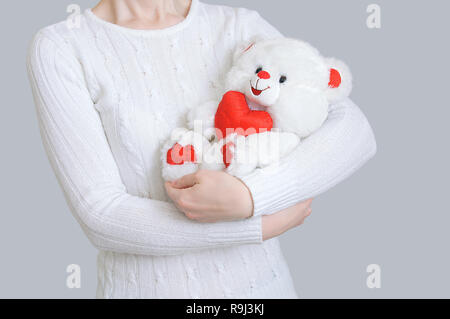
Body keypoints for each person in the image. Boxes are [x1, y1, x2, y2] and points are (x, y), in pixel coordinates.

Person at [27, 0, 376, 298]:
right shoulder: (62, 48)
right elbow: (101, 214)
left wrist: (250, 196)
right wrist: (251, 226)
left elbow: (354, 129)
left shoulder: (239, 28)